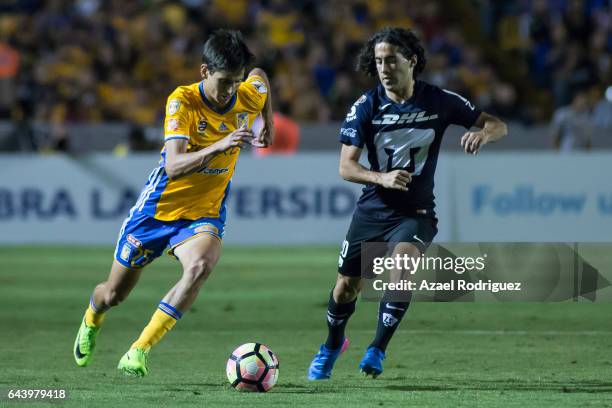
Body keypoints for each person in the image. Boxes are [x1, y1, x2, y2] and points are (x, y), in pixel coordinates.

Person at [307, 27, 507, 380]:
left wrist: (483, 133)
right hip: (372, 211)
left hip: (416, 213)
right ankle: (332, 344)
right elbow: (346, 167)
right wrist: (380, 177)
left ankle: (377, 349)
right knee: (346, 287)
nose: (383, 68)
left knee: (403, 264)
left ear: (411, 61)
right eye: (378, 61)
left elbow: (496, 124)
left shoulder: (440, 100)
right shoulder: (366, 106)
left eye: (391, 60)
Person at [73, 29, 273, 377]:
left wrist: (266, 121)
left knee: (200, 267)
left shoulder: (247, 94)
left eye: (235, 82)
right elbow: (173, 165)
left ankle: (139, 350)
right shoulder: (183, 101)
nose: (230, 91)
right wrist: (221, 144)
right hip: (156, 212)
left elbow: (261, 78)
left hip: (203, 213)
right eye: (224, 81)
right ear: (204, 72)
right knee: (113, 294)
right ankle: (92, 317)